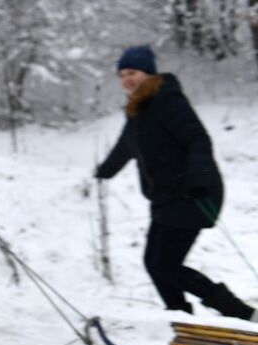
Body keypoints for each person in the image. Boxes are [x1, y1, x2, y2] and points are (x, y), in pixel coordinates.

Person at [94, 45, 253, 320]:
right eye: (122, 75)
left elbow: (198, 139)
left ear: (148, 74)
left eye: (132, 72)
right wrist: (104, 171)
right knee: (154, 263)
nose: (126, 80)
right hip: (167, 197)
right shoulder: (138, 111)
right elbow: (125, 147)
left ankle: (241, 313)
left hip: (193, 193)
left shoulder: (167, 100)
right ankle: (180, 319)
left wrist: (198, 178)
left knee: (166, 265)